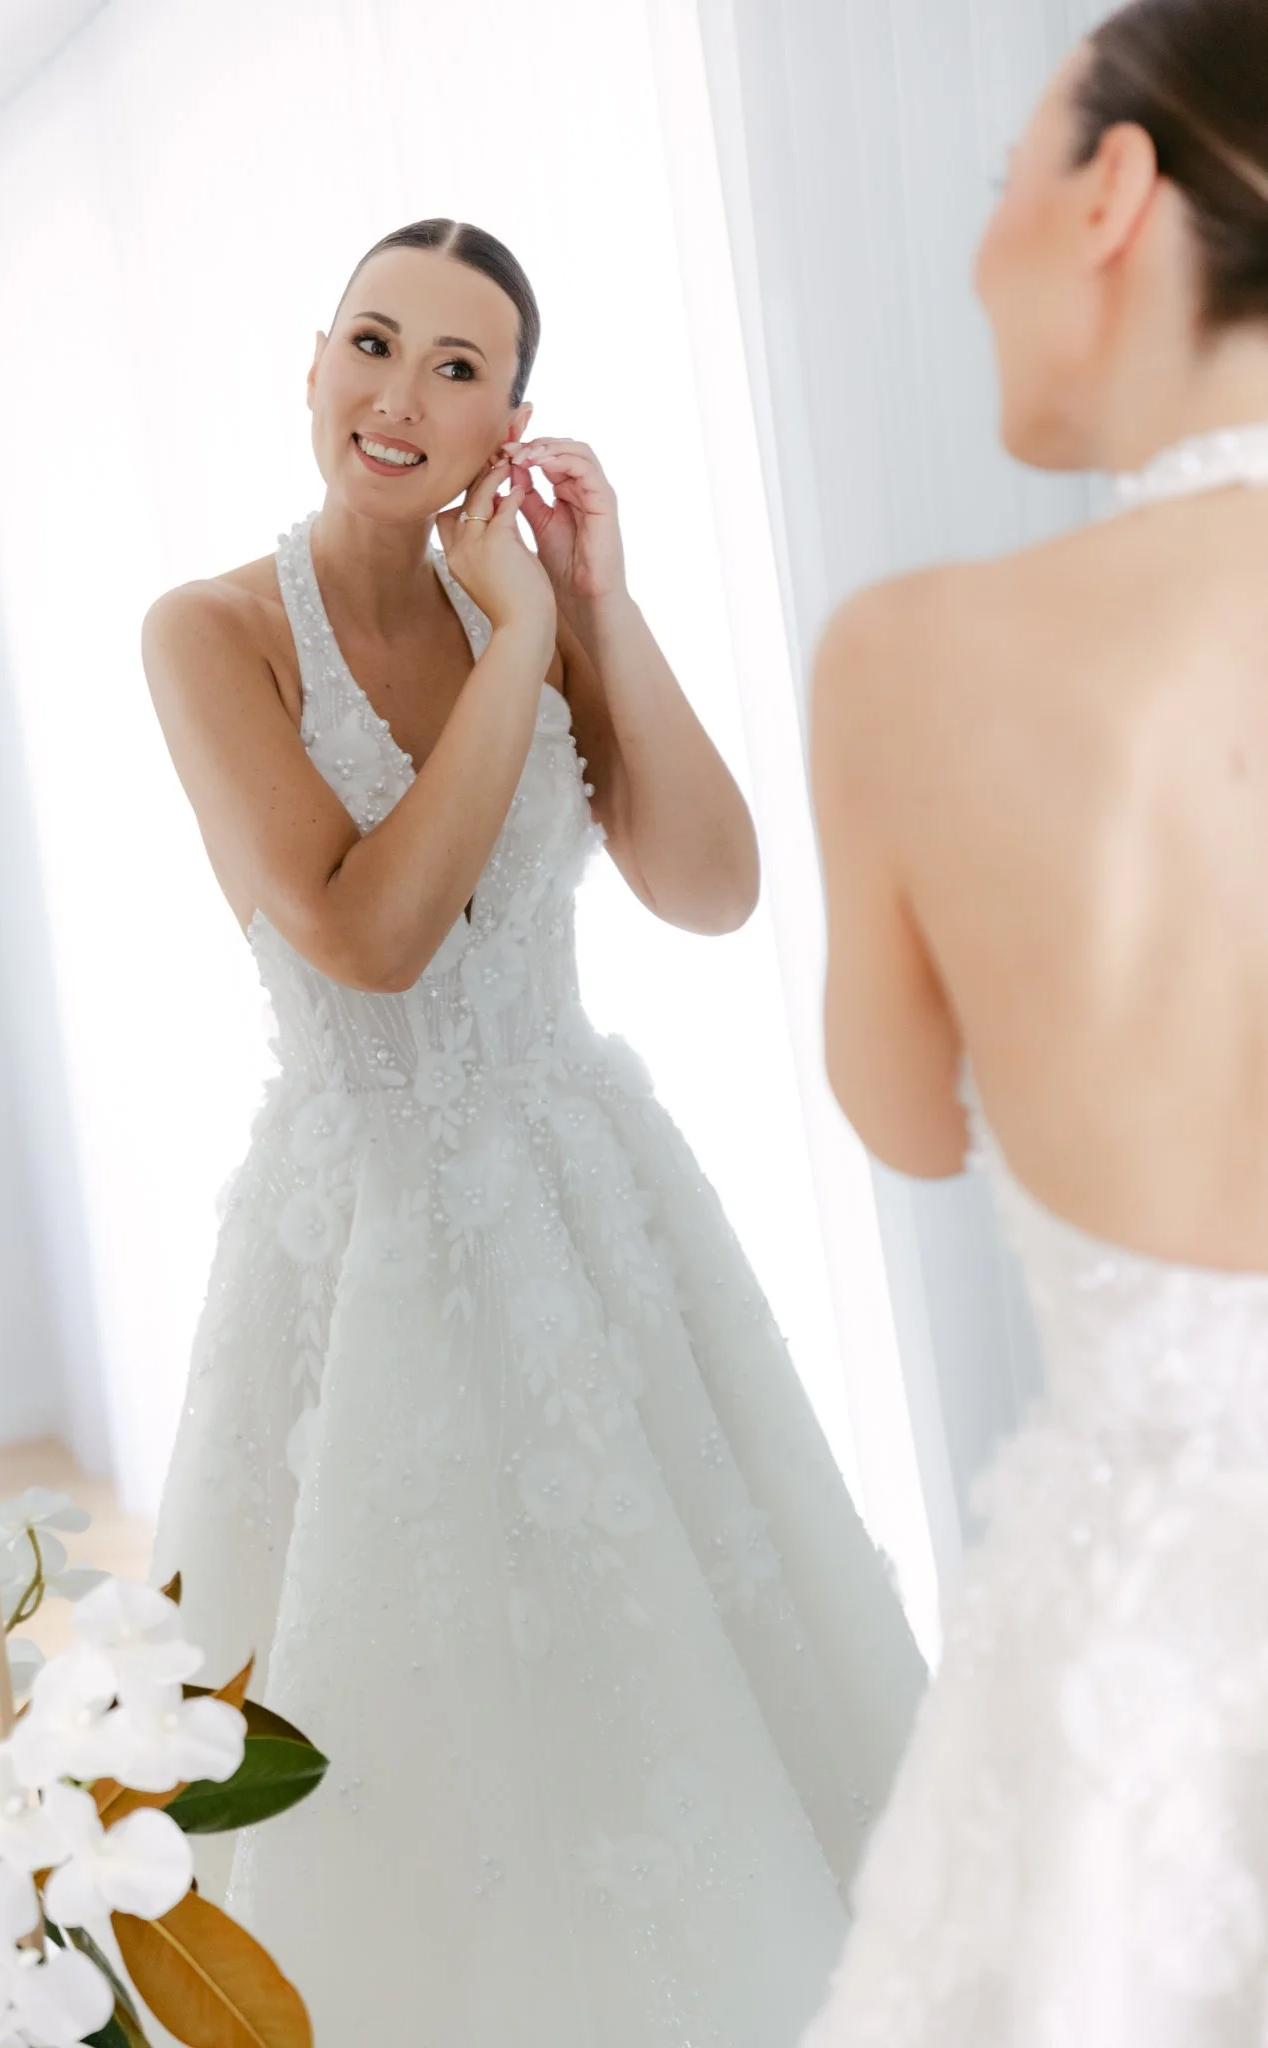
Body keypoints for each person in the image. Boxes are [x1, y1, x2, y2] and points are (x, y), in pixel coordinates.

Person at [140, 216, 923, 2045]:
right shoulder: (211, 634)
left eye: (459, 367)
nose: (398, 395)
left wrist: (597, 609)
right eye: (370, 341)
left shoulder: (545, 619)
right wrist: (512, 659)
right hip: (369, 1240)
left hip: (593, 1213)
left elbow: (713, 887)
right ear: (313, 364)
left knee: (667, 1706)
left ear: (513, 425)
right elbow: (367, 939)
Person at [803, 1, 1268, 2041]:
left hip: (1141, 1679)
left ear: (1112, 190)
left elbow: (904, 1117)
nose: (975, 248)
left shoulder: (914, 662)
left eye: (997, 185)